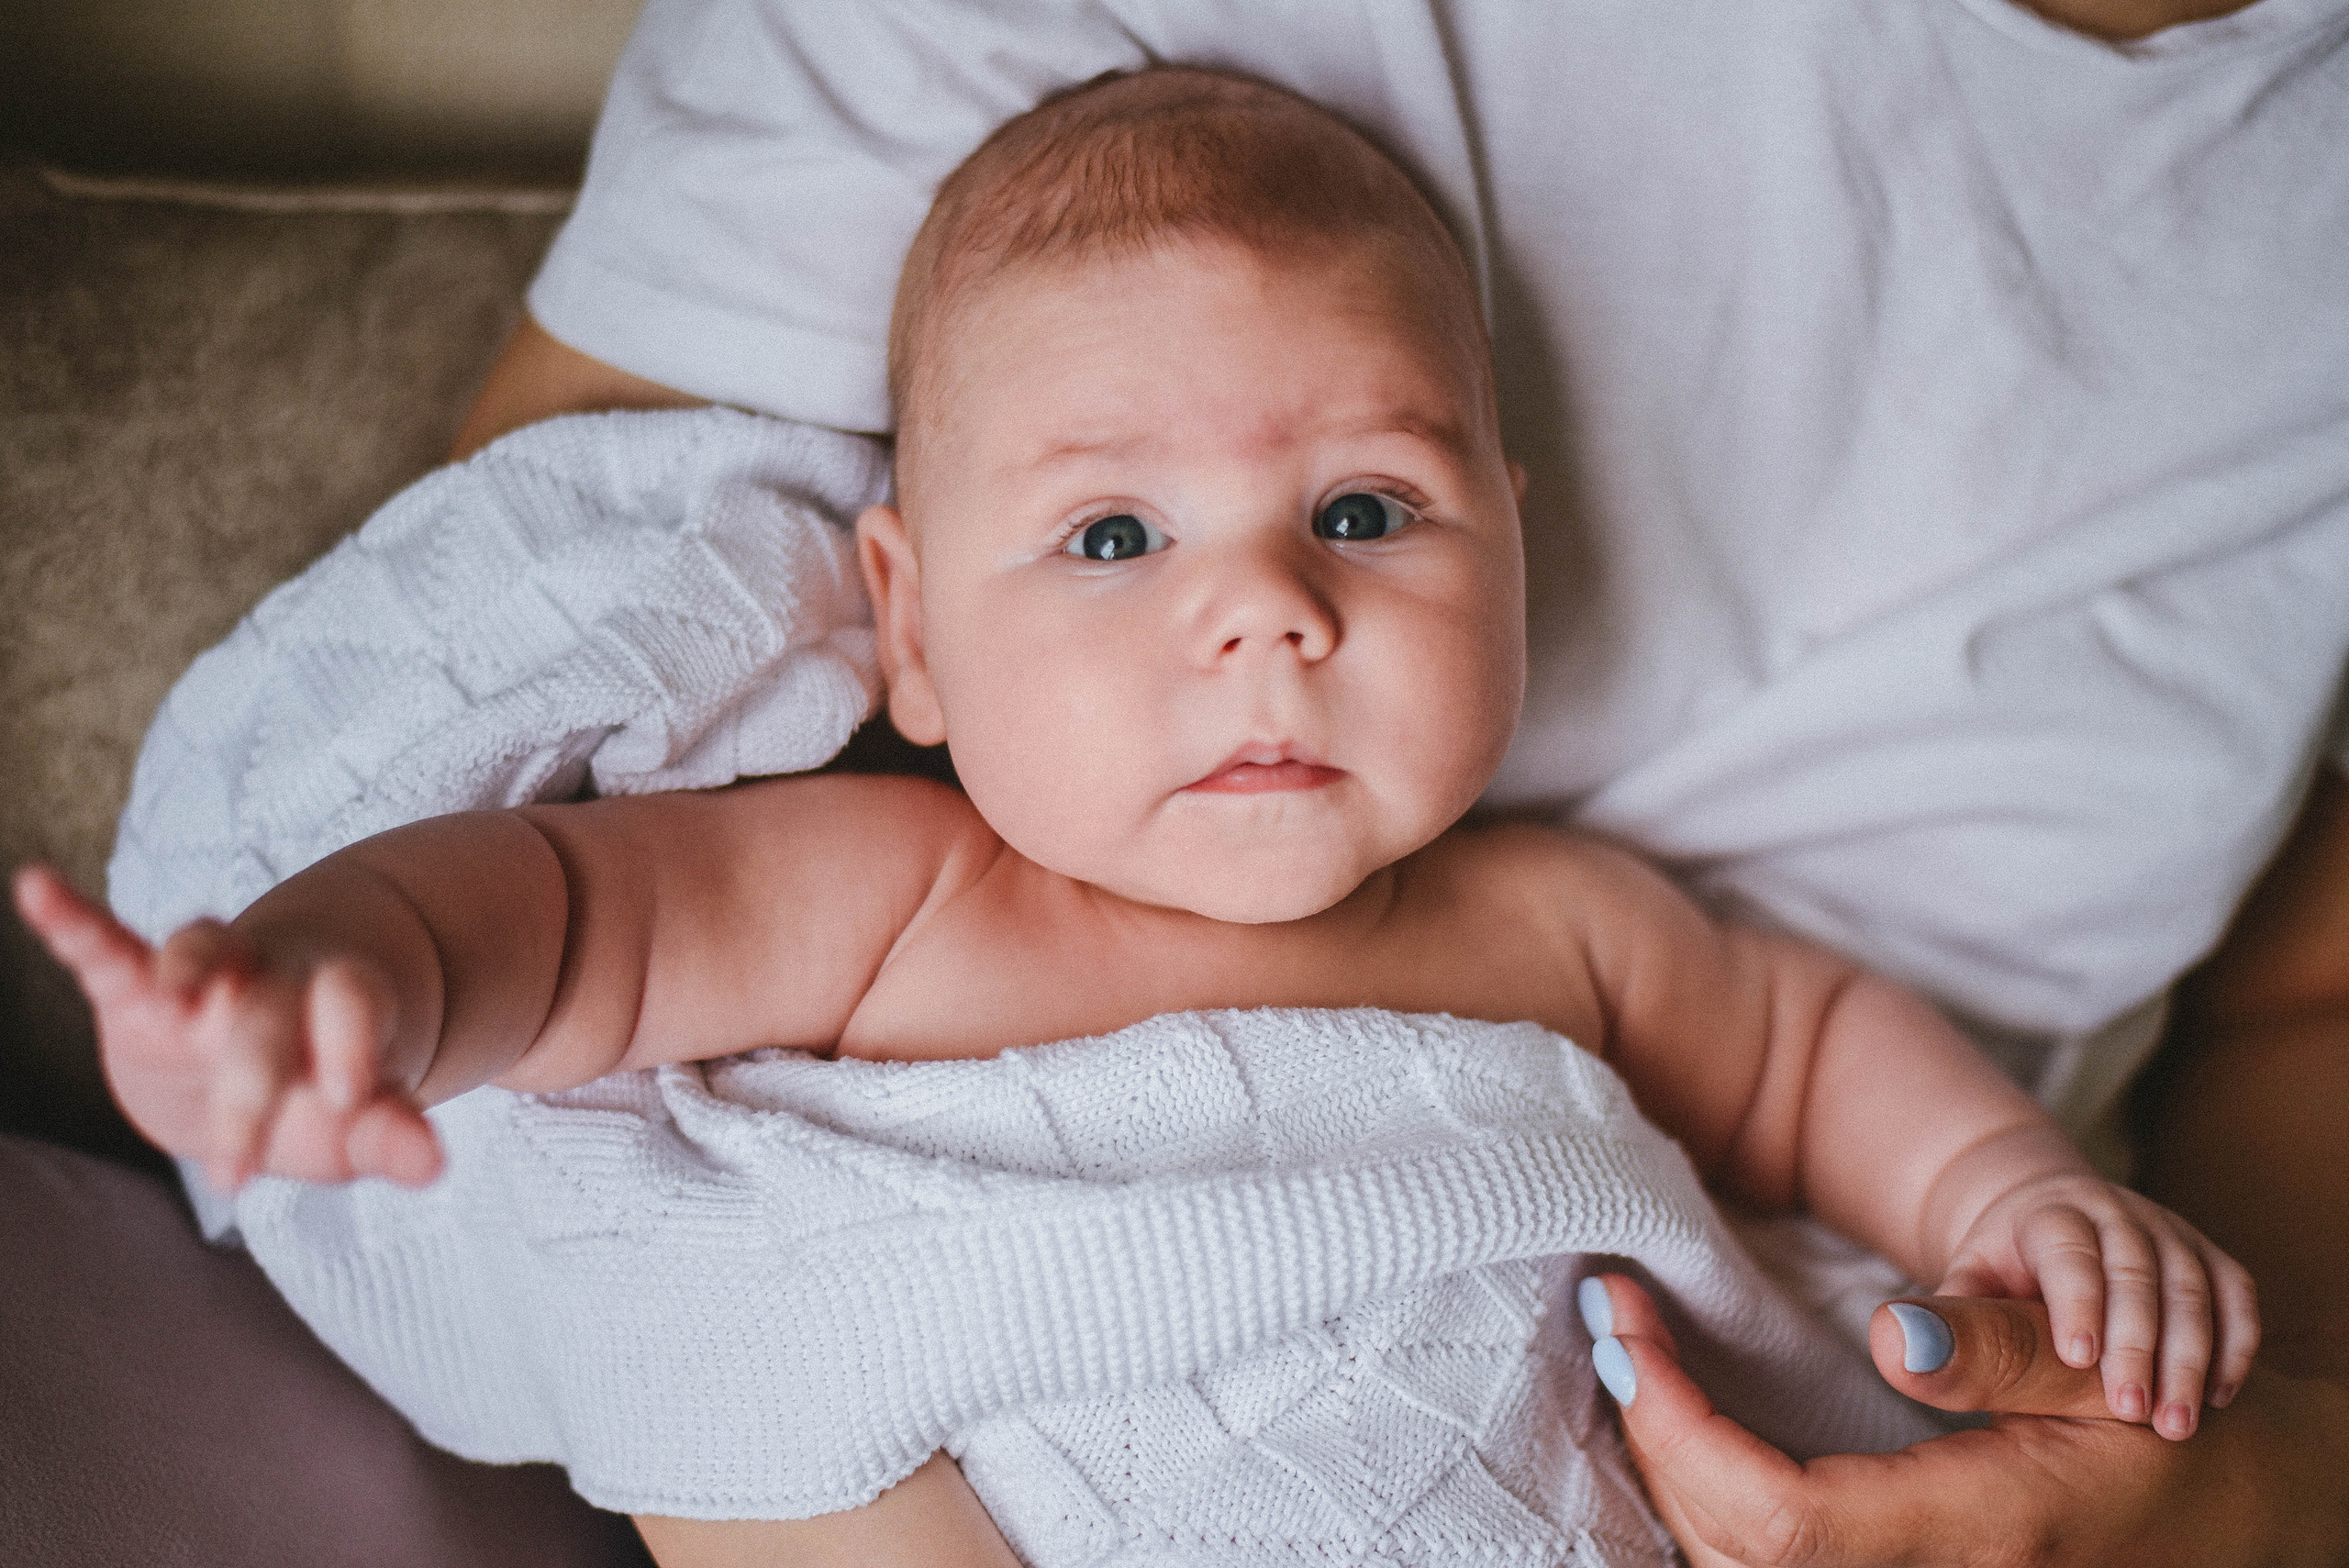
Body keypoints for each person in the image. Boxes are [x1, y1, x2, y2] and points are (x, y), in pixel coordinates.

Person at [17, 69, 2271, 1567]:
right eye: (1113, 539)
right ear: (903, 632)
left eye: (1362, 511)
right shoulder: (894, 896)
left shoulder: (1561, 927)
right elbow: (558, 920)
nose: (1265, 616)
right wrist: (332, 986)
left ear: (1509, 538)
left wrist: (2019, 1193)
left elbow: (1802, 1053)